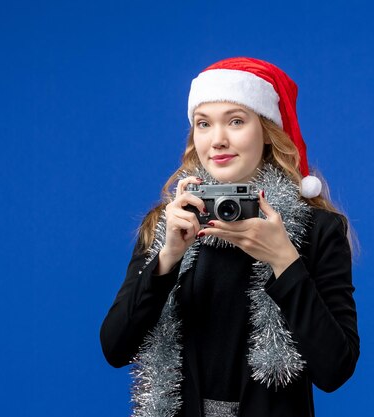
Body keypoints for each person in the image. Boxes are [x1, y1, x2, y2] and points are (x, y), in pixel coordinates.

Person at [100, 57, 359, 417]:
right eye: (203, 124)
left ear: (267, 132)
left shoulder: (316, 229)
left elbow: (335, 370)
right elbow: (114, 348)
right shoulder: (169, 223)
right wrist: (166, 259)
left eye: (236, 121)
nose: (218, 139)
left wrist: (285, 261)